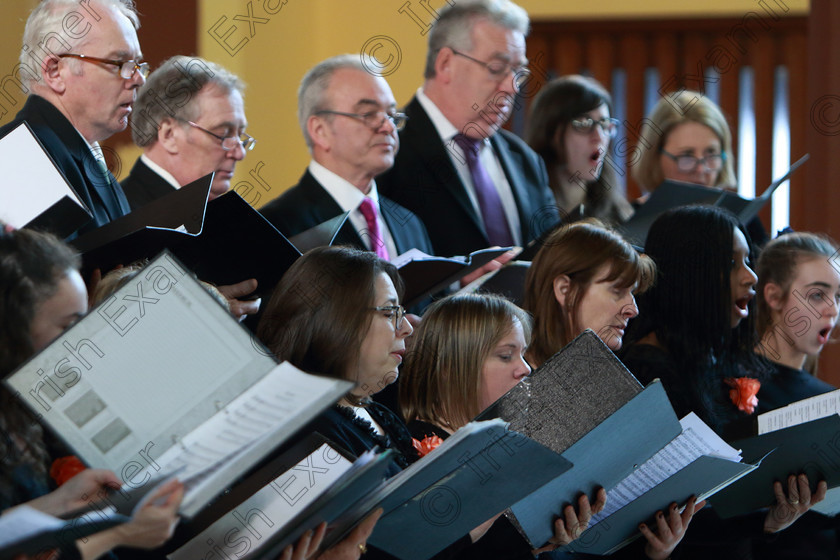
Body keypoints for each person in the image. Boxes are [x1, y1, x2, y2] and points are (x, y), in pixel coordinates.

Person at [256, 247, 593, 558]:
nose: (405, 327)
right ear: (337, 320)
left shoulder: (378, 414)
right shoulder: (309, 431)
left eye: (401, 313)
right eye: (389, 313)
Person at [400, 293, 701, 560]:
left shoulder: (513, 440)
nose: (525, 368)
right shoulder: (414, 451)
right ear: (451, 366)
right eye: (506, 356)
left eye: (523, 353)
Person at [619, 206, 827, 558]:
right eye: (733, 264)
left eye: (749, 262)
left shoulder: (710, 359)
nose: (751, 277)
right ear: (691, 273)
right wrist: (761, 522)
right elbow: (674, 516)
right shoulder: (645, 374)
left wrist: (774, 518)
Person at [0, 224, 183, 558]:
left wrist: (64, 502)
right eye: (68, 326)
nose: (80, 343)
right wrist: (115, 534)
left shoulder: (23, 411)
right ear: (11, 329)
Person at [377, 0, 559, 257]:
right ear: (445, 64)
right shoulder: (387, 154)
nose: (511, 87)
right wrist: (454, 283)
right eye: (496, 68)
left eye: (518, 72)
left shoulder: (524, 159)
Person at [259, 55, 433, 260]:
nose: (388, 127)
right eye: (368, 114)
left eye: (392, 115)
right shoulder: (277, 227)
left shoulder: (409, 223)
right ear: (320, 130)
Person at [0, 0, 146, 238]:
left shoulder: (87, 157)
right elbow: (30, 274)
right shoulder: (17, 158)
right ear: (54, 71)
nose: (139, 79)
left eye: (138, 65)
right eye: (119, 63)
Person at [632, 91, 767, 245]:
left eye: (711, 153)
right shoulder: (629, 220)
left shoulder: (743, 220)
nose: (702, 169)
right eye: (687, 156)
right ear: (655, 157)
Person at [123, 55, 253, 209]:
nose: (239, 154)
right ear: (169, 134)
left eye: (240, 135)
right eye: (224, 134)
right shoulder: (124, 219)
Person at [523, 220, 654, 368]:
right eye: (617, 291)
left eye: (631, 293)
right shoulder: (515, 384)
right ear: (565, 290)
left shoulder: (604, 377)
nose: (633, 310)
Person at [525, 75, 633, 225]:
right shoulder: (525, 202)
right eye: (583, 124)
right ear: (550, 131)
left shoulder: (618, 212)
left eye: (604, 124)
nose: (599, 136)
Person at [754, 231, 838, 411]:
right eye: (817, 295)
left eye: (838, 297)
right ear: (774, 296)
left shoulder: (829, 403)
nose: (833, 310)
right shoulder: (727, 385)